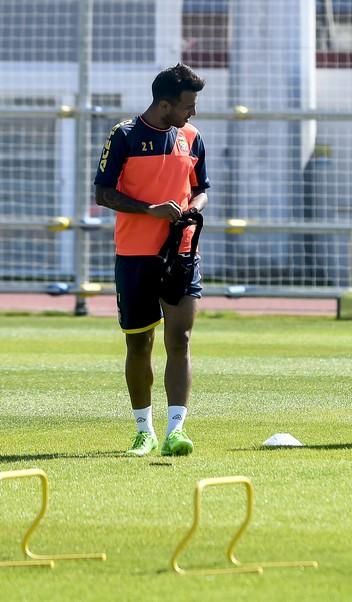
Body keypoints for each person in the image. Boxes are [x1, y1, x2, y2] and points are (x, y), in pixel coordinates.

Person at [94, 63, 209, 456]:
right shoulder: (124, 136)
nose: (192, 112)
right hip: (135, 255)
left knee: (181, 339)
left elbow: (201, 190)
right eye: (187, 105)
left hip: (181, 253)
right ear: (163, 105)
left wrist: (193, 208)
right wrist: (150, 209)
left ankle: (176, 430)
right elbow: (103, 194)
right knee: (139, 344)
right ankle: (144, 430)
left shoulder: (192, 137)